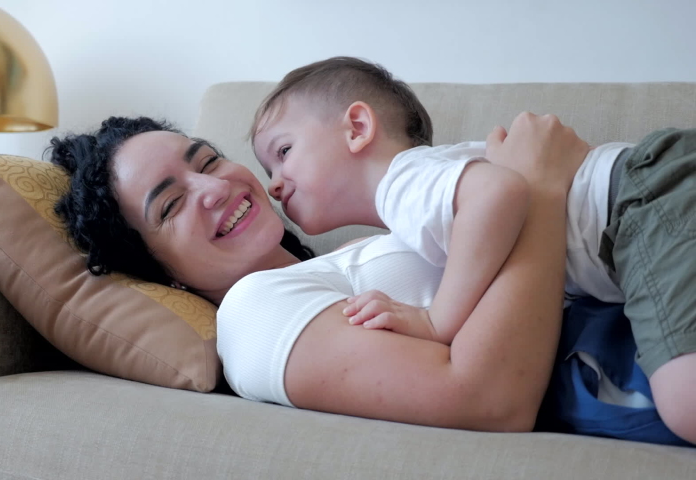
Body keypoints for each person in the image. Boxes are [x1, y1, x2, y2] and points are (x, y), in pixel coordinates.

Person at [248, 56, 696, 443]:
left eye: (284, 151)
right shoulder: (420, 198)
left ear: (358, 128)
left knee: (685, 400)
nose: (274, 182)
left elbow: (500, 193)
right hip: (645, 204)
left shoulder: (402, 182)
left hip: (645, 199)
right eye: (268, 167)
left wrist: (437, 320)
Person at [49, 112, 585, 434]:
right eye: (169, 206)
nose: (213, 189)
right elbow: (490, 400)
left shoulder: (344, 255)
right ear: (158, 270)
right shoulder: (253, 315)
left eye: (207, 161)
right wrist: (538, 188)